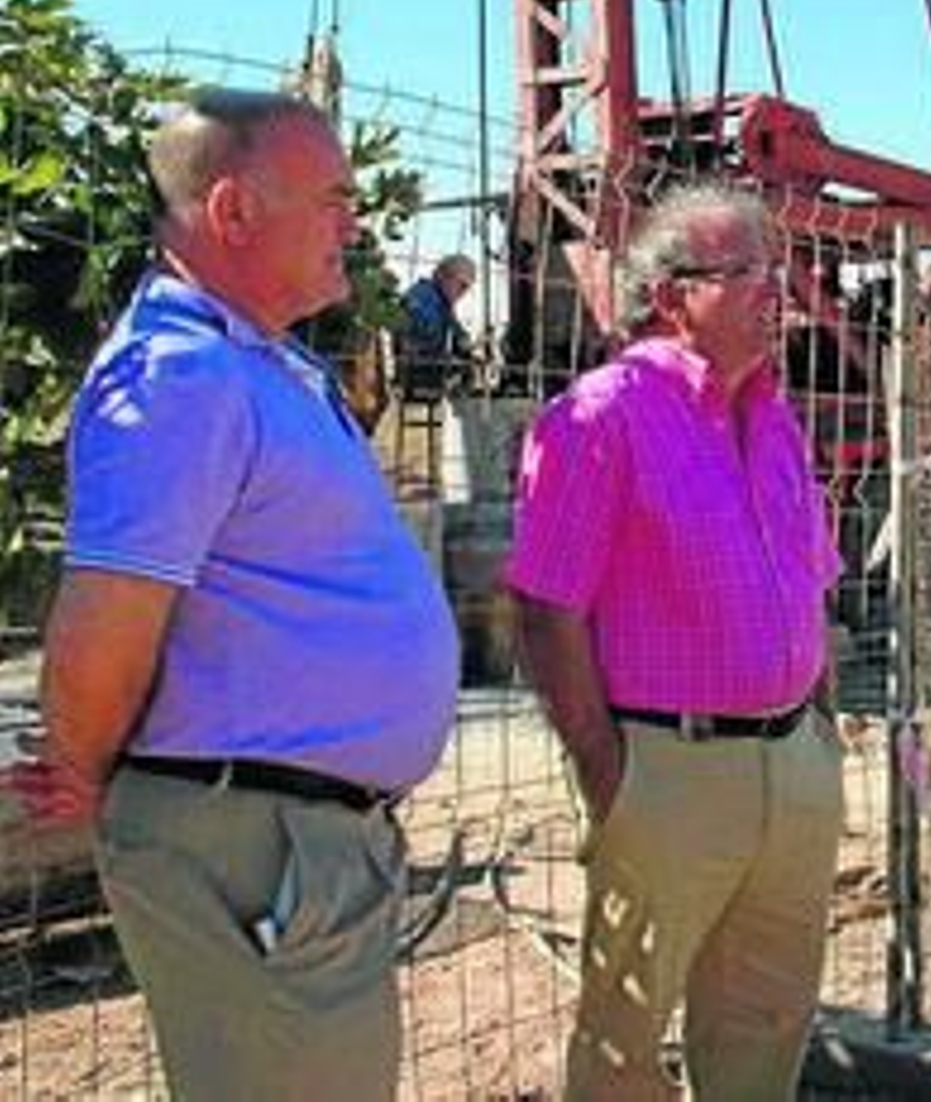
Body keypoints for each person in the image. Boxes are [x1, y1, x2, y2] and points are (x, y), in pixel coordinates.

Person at [6, 89, 460, 1100]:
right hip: (257, 849)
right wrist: (81, 767)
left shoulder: (258, 367)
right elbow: (108, 618)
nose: (357, 220)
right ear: (234, 213)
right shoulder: (180, 378)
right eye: (333, 198)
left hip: (290, 846)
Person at [505, 180, 845, 1101]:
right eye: (746, 273)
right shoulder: (599, 417)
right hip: (668, 767)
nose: (775, 290)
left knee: (766, 1026)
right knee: (626, 1040)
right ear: (671, 297)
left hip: (791, 763)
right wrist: (608, 771)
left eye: (772, 268)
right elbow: (546, 608)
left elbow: (815, 580)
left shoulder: (771, 414)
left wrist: (820, 727)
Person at [397, 252, 476, 398]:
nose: (463, 293)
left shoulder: (442, 301)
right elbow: (420, 338)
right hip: (417, 375)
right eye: (462, 286)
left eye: (466, 288)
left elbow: (457, 330)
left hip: (428, 371)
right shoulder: (421, 297)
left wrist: (465, 341)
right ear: (444, 277)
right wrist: (452, 358)